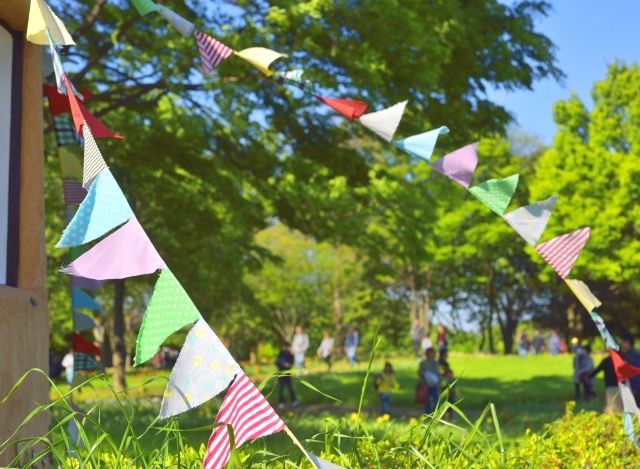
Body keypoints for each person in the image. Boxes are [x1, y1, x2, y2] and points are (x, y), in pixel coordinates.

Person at [275, 341, 298, 409]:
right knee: (281, 389)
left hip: (287, 374)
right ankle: (281, 402)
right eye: (285, 346)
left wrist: (289, 365)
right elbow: (277, 362)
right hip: (281, 374)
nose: (286, 348)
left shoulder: (290, 355)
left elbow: (291, 362)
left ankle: (294, 401)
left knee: (290, 387)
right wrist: (283, 364)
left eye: (287, 347)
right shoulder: (280, 354)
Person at [418, 347, 440, 413]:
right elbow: (420, 373)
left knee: (435, 398)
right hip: (426, 384)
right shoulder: (423, 363)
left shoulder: (436, 363)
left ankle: (434, 411)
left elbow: (438, 373)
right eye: (430, 353)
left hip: (434, 384)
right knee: (426, 399)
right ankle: (427, 412)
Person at [620, 332, 640, 404]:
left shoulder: (629, 356)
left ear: (627, 342)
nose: (621, 343)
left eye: (622, 341)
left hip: (634, 387)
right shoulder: (636, 354)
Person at [439, 349, 456, 418]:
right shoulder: (438, 363)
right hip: (441, 383)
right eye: (445, 355)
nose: (446, 356)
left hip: (446, 384)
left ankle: (448, 413)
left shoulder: (446, 364)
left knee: (451, 396)